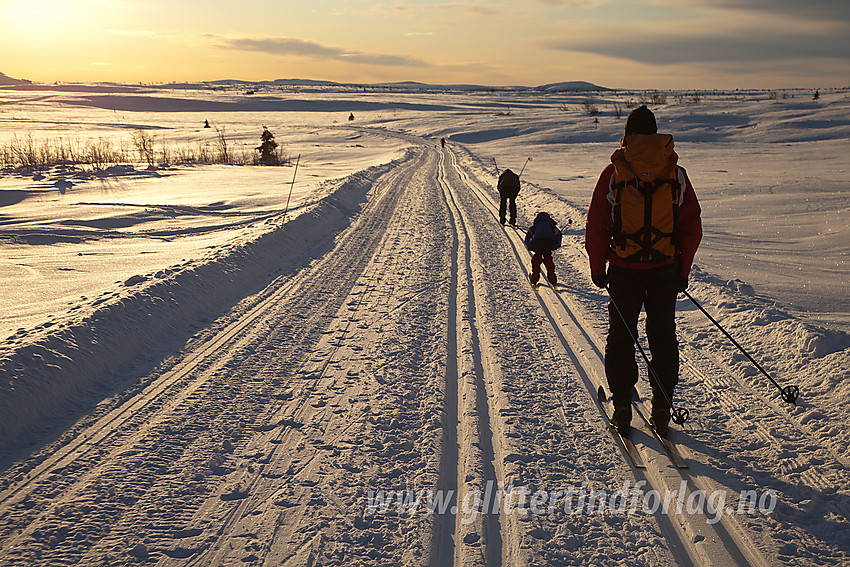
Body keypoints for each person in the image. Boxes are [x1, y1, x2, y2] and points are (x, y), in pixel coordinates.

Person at [585, 105, 702, 436]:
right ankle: (662, 407)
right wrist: (682, 269)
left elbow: (597, 225)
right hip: (664, 269)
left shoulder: (614, 172)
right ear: (655, 135)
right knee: (663, 337)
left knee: (622, 337)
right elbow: (692, 226)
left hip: (623, 269)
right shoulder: (675, 172)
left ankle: (622, 405)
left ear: (628, 135)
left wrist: (597, 268)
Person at [525, 212, 562, 287]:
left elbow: (527, 238)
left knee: (537, 258)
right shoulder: (552, 226)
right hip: (549, 242)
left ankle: (534, 278)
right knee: (547, 257)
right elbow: (559, 235)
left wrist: (530, 247)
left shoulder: (535, 226)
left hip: (537, 243)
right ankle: (552, 278)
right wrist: (555, 246)